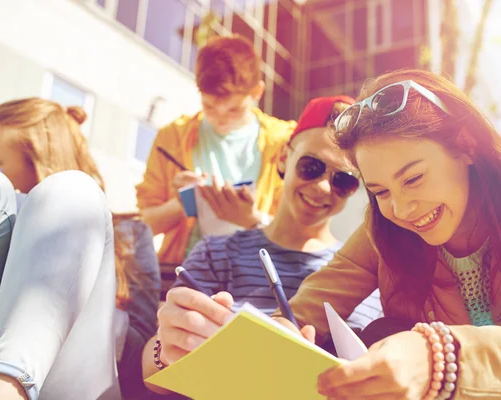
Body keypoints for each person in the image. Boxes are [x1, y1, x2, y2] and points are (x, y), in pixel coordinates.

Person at [269, 70, 501, 399]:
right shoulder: (382, 228)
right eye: (380, 191)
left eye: (413, 179)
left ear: (466, 145)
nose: (402, 209)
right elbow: (308, 308)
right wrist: (275, 334)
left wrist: (441, 356)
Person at [141, 96, 383, 391]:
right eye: (311, 166)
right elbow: (153, 376)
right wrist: (165, 349)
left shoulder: (369, 279)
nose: (322, 187)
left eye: (343, 180)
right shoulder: (218, 253)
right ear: (283, 157)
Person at [0, 98, 161, 400]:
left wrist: (74, 285)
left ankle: (7, 385)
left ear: (38, 159)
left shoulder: (130, 234)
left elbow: (139, 356)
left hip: (77, 383)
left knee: (73, 194)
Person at [136, 34, 296, 268]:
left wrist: (252, 218)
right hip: (182, 275)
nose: (221, 120)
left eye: (234, 110)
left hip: (258, 279)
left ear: (257, 92)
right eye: (209, 107)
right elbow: (144, 227)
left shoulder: (285, 143)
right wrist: (181, 203)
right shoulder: (172, 137)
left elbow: (299, 232)